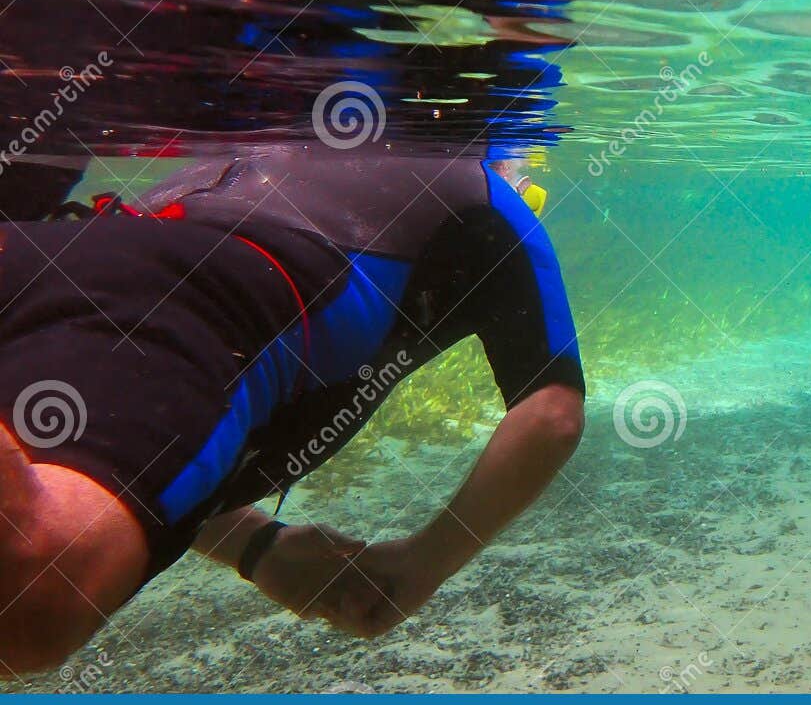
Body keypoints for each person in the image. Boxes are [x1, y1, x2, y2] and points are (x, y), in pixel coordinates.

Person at [0, 149, 584, 676]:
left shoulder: (257, 151)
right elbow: (553, 410)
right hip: (218, 295)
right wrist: (421, 566)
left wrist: (259, 548)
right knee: (31, 608)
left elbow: (150, 412)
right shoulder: (488, 197)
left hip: (54, 249)